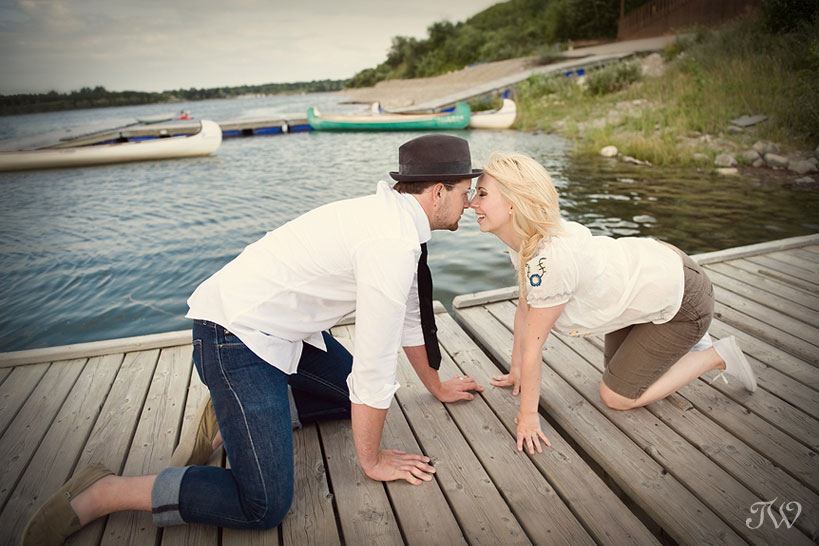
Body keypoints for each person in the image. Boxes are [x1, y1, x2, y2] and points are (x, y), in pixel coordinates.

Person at [22, 134, 485, 545]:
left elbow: (407, 320)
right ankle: (104, 492)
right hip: (233, 339)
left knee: (357, 404)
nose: (469, 203)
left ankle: (235, 417)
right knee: (263, 504)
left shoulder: (394, 222)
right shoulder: (391, 241)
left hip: (282, 332)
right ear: (439, 191)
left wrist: (438, 387)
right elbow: (373, 366)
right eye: (466, 193)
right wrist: (373, 460)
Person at [470, 152, 756, 455]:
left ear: (513, 203)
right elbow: (525, 309)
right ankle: (687, 340)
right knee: (616, 370)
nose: (472, 202)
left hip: (686, 298)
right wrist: (515, 369)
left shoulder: (549, 261)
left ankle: (716, 354)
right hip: (656, 273)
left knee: (617, 395)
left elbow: (534, 346)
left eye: (483, 194)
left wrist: (528, 417)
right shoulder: (527, 239)